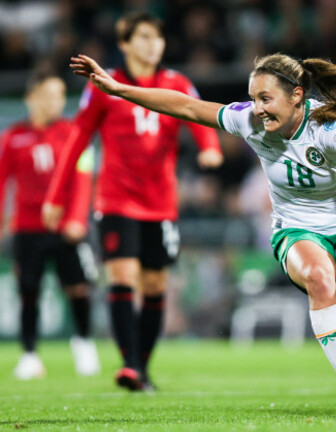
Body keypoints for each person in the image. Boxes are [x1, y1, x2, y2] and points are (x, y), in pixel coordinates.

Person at [67, 52, 336, 417]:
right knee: (320, 278)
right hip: (297, 228)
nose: (257, 108)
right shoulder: (249, 120)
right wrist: (119, 90)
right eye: (253, 98)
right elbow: (185, 106)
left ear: (297, 95)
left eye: (265, 98)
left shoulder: (328, 123)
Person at [42, 12, 223, 392]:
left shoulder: (177, 82)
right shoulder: (104, 85)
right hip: (116, 200)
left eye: (156, 37)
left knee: (155, 284)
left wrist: (210, 149)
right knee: (122, 276)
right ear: (124, 44)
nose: (151, 44)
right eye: (142, 36)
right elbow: (77, 139)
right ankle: (129, 364)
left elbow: (197, 115)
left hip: (160, 203)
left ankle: (141, 366)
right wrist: (56, 196)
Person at [0, 68, 100, 380]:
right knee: (28, 290)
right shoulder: (13, 137)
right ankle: (29, 354)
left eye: (58, 96)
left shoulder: (74, 133)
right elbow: (2, 183)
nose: (53, 102)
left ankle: (83, 343)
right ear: (31, 98)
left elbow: (83, 179)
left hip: (66, 228)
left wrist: (75, 219)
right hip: (27, 227)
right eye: (46, 96)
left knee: (78, 288)